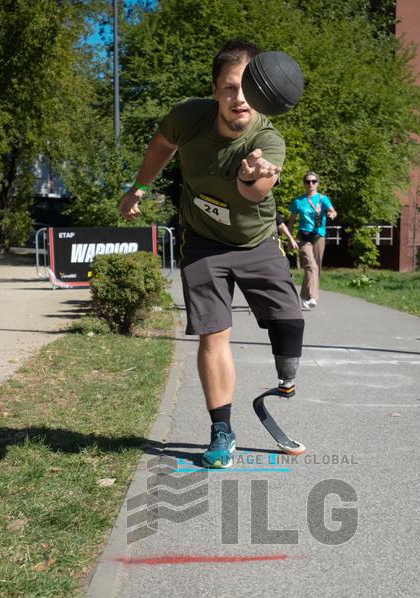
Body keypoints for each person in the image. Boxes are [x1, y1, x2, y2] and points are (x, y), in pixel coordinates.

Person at [117, 39, 305, 469]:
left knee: (290, 321)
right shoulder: (188, 117)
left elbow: (254, 191)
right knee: (213, 334)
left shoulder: (268, 140)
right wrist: (139, 186)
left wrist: (250, 177)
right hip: (203, 242)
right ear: (215, 90)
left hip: (256, 242)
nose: (239, 98)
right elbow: (161, 145)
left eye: (248, 88)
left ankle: (285, 381)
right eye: (229, 88)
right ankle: (222, 431)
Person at [286, 172, 337, 309]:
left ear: (317, 183)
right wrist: (290, 239)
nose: (311, 184)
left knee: (316, 267)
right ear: (304, 184)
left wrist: (331, 214)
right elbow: (291, 221)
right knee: (310, 266)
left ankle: (304, 295)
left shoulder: (323, 199)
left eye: (314, 181)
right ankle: (313, 297)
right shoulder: (299, 201)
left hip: (319, 236)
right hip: (304, 237)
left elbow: (333, 211)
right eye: (308, 181)